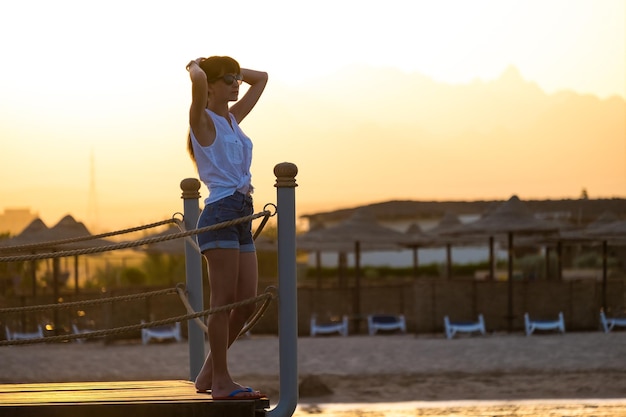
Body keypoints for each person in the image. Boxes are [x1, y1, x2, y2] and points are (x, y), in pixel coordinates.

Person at [186, 55, 268, 400]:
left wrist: (227, 63)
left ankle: (207, 372)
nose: (237, 84)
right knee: (222, 302)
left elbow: (261, 78)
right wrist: (195, 66)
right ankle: (221, 380)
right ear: (212, 86)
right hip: (220, 213)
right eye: (230, 80)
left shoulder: (232, 119)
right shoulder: (202, 120)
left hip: (242, 214)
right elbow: (197, 83)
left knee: (246, 302)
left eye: (237, 78)